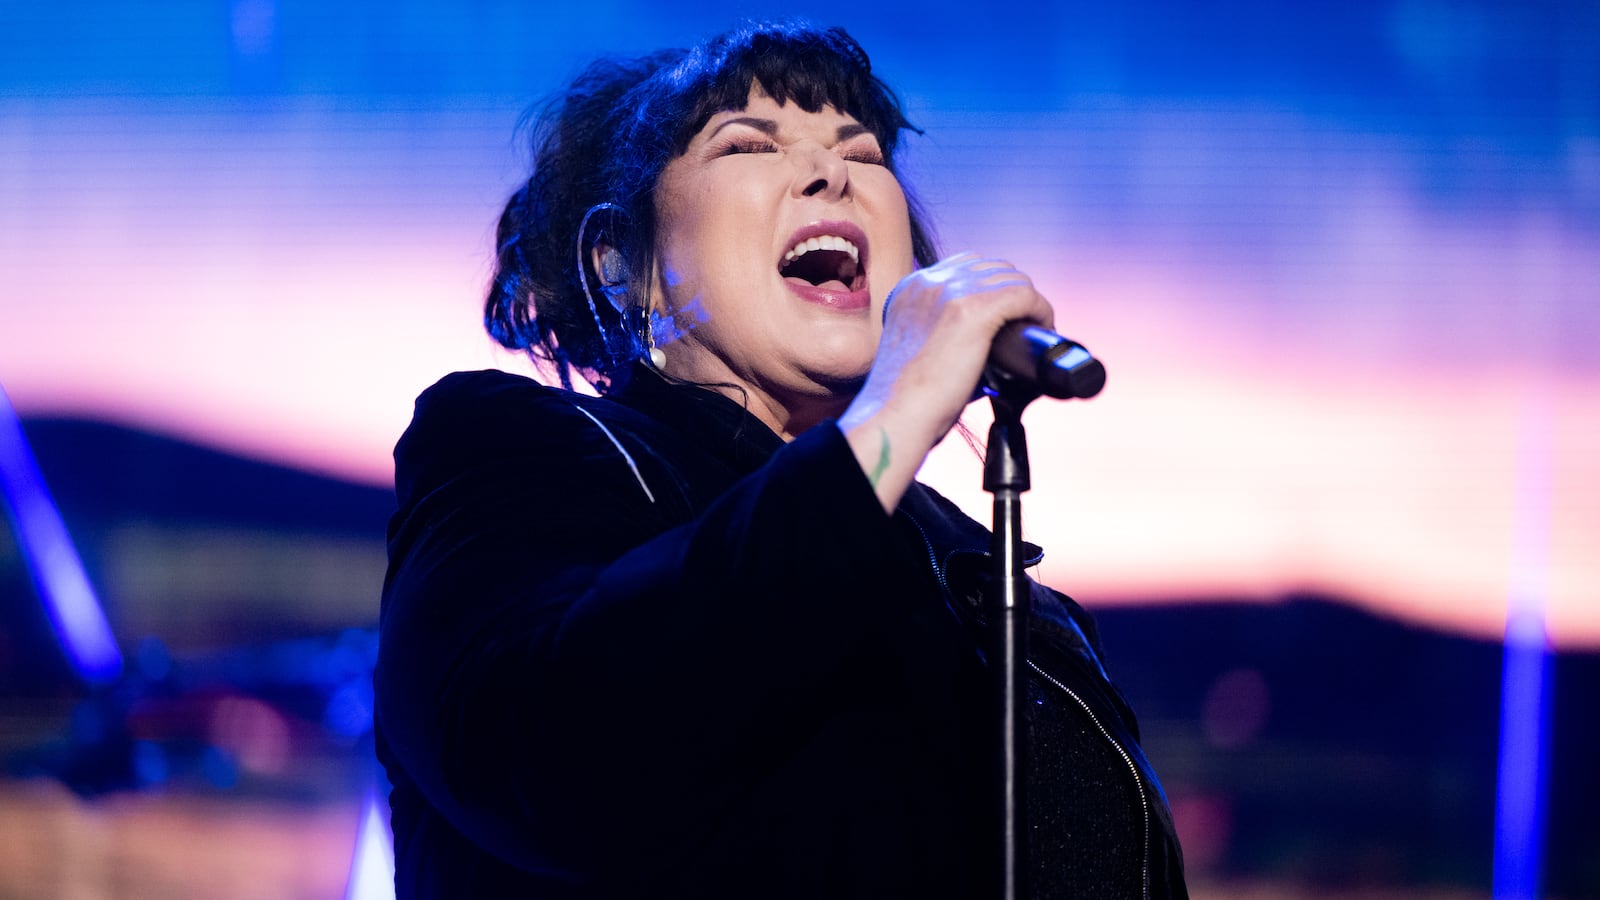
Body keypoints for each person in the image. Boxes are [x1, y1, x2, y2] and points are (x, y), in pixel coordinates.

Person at [375, 21, 1188, 899]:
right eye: (749, 144)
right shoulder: (523, 449)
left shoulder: (994, 593)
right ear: (622, 267)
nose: (829, 172)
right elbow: (553, 761)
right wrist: (894, 414)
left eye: (862, 152)